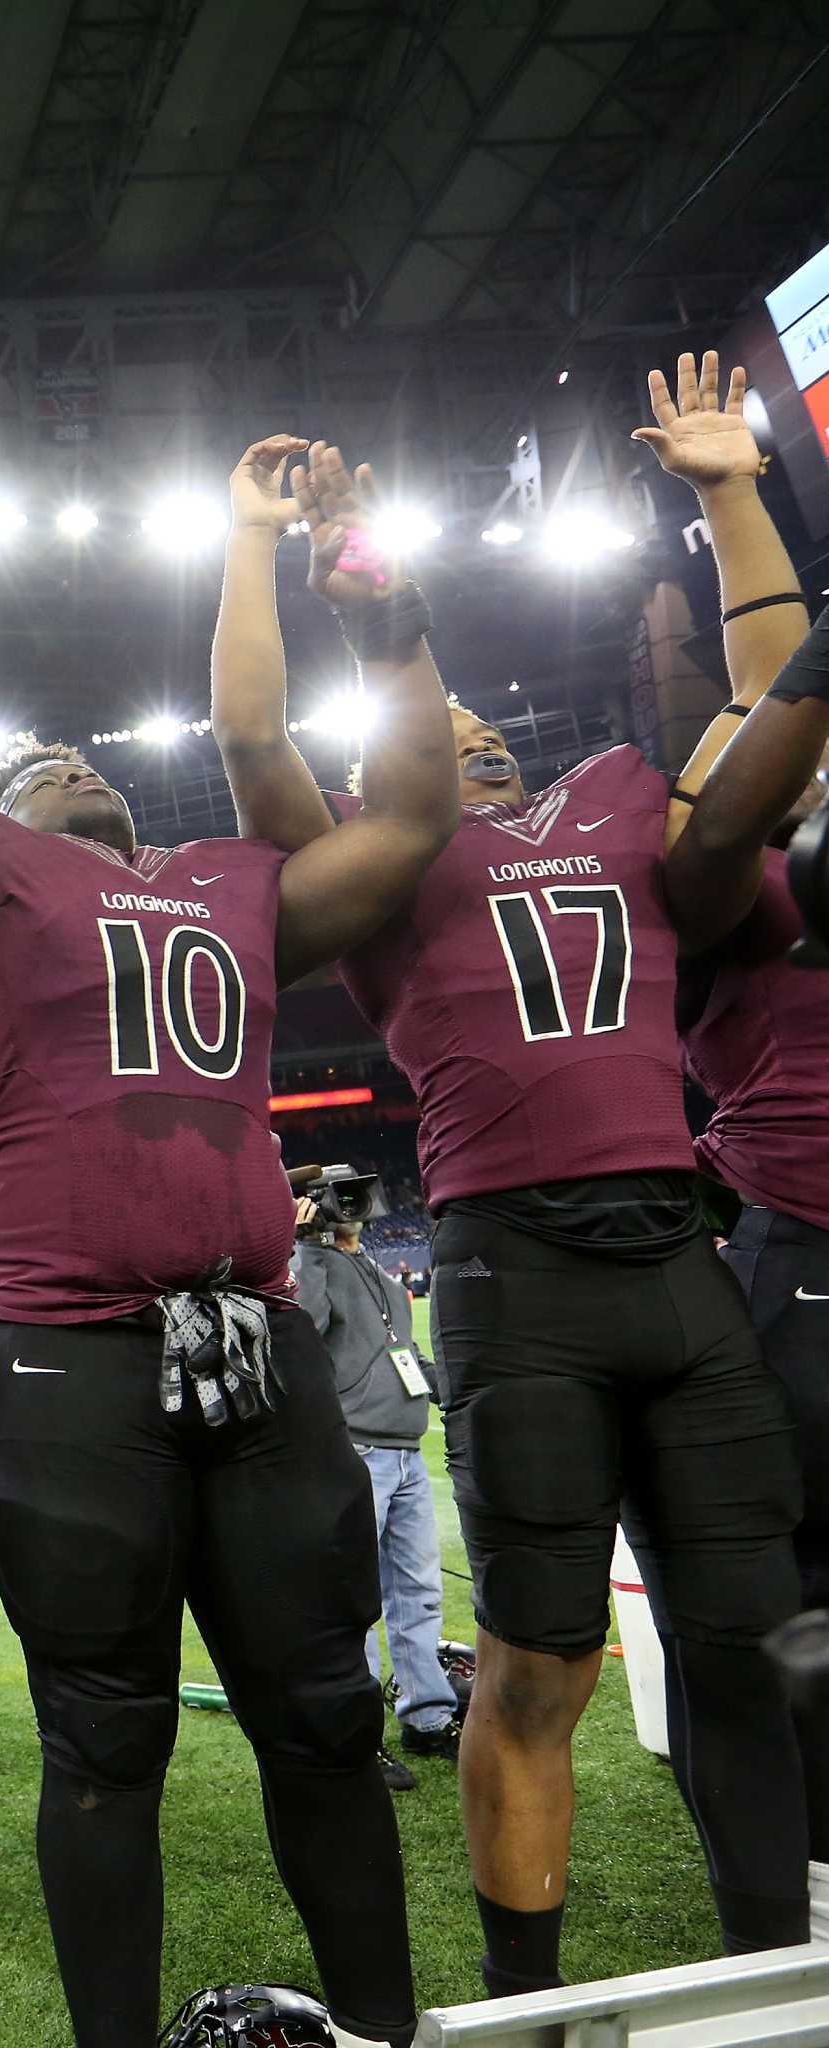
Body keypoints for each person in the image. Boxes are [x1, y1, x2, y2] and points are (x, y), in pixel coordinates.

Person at [0, 405, 463, 2048]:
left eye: (87, 755)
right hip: (73, 1355)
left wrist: (368, 601)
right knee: (105, 1741)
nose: (73, 756)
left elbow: (418, 812)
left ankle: (381, 2025)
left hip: (257, 1337)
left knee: (319, 1710)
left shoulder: (228, 880)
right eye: (37, 762)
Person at [238, 357, 826, 1991]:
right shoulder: (383, 861)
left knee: (751, 1646)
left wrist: (727, 486)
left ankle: (773, 1979)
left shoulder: (626, 797)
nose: (471, 735)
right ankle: (531, 2005)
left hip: (679, 1256)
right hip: (518, 1275)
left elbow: (779, 712)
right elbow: (250, 742)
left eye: (487, 724)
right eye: (434, 733)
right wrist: (329, 557)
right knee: (535, 1663)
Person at [676, 706, 829, 1927]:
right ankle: (810, 1890)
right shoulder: (725, 881)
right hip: (802, 1240)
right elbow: (730, 777)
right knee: (789, 1594)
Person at [291, 1202, 454, 1788]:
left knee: (418, 1592)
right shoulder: (311, 1267)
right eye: (338, 1194)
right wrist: (308, 1244)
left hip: (406, 1449)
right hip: (356, 1450)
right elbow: (302, 1330)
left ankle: (428, 1717)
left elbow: (400, 1354)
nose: (349, 1206)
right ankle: (357, 1735)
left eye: (356, 1193)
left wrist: (444, 1386)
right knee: (354, 1599)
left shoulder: (385, 1278)